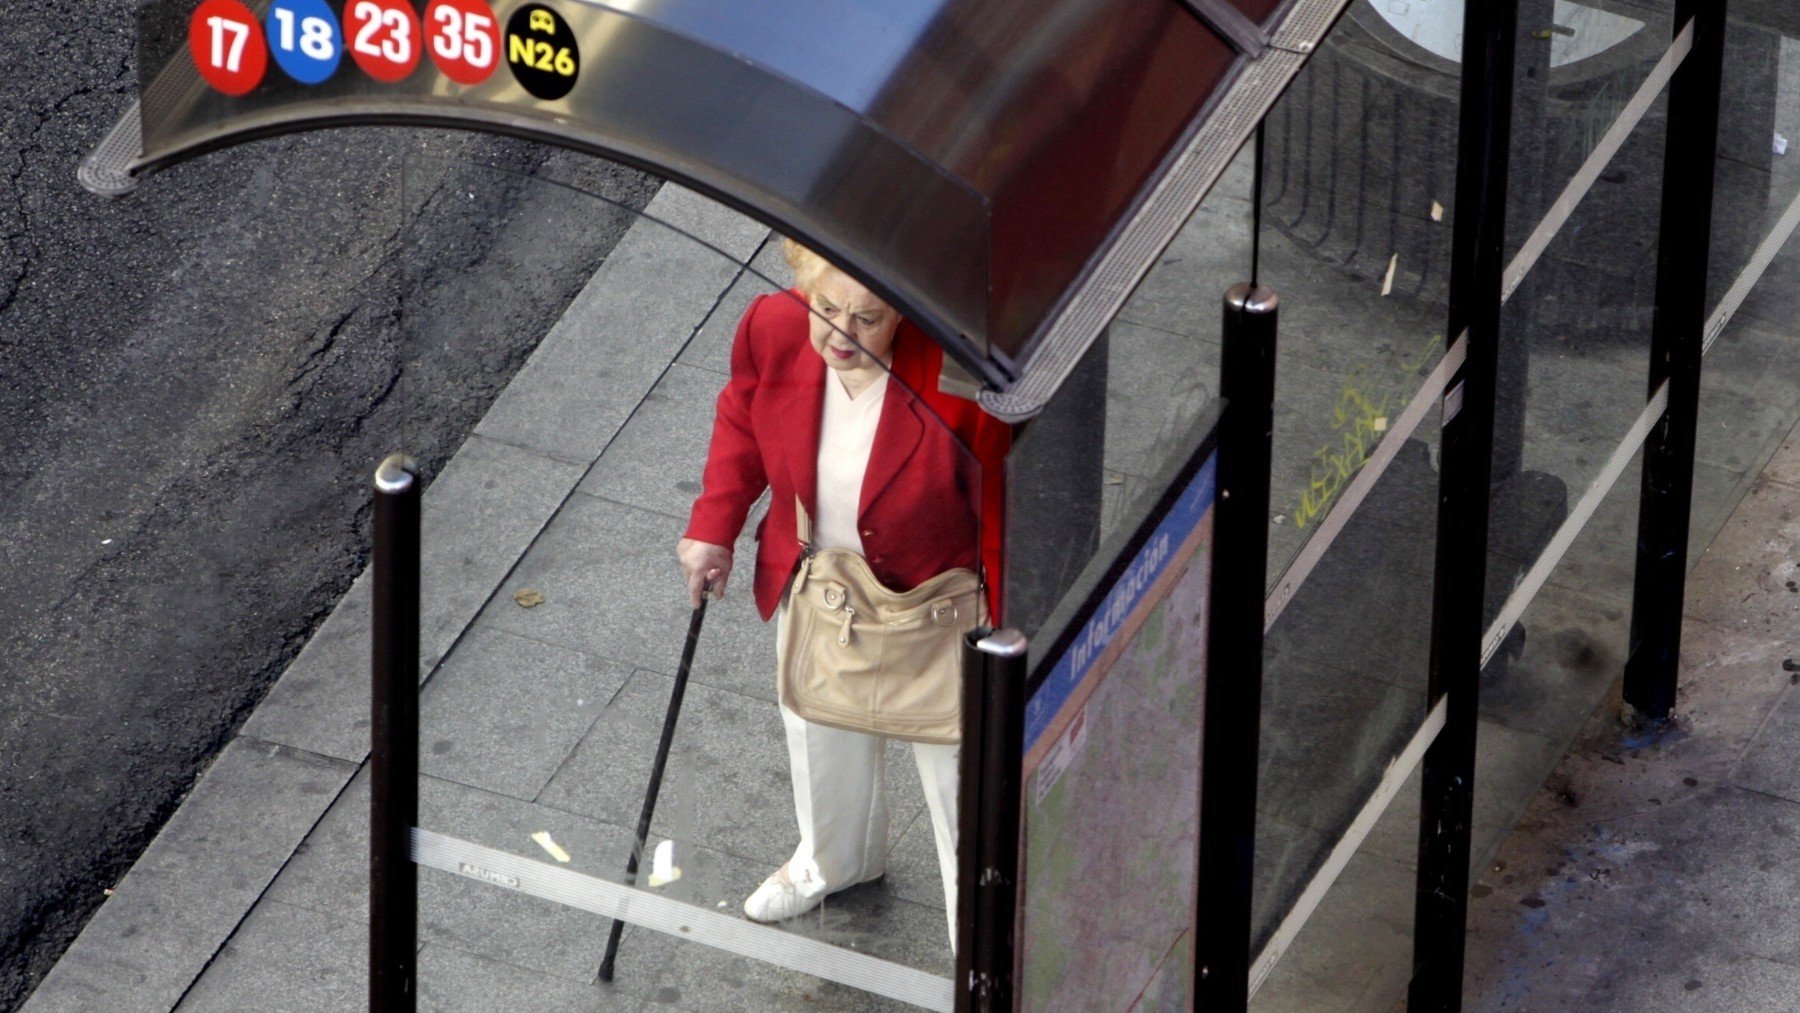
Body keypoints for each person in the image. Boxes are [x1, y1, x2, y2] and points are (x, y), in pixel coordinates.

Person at [678, 240, 1008, 943]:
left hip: (941, 605)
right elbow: (742, 412)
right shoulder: (773, 323)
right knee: (818, 729)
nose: (838, 335)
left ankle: (979, 922)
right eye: (825, 308)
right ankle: (836, 858)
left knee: (960, 772)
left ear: (907, 311)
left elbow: (1005, 505)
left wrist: (1012, 627)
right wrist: (714, 524)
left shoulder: (957, 377)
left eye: (867, 317)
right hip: (823, 582)